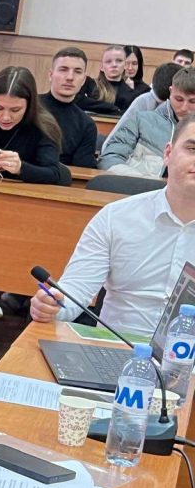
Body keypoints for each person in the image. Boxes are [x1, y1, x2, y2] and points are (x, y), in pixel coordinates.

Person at [31, 114, 195, 337]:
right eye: (192, 148)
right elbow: (75, 290)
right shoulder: (115, 217)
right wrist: (52, 306)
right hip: (116, 348)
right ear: (168, 153)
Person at [0, 66, 69, 323]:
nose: (5, 116)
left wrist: (21, 168)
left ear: (29, 107)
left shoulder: (43, 126)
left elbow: (57, 174)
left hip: (27, 213)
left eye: (15, 110)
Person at [100, 67, 195, 177]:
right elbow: (110, 158)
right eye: (179, 99)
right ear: (170, 91)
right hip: (137, 185)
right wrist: (144, 182)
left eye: (193, 101)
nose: (184, 108)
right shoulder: (140, 120)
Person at [40, 47, 98, 168]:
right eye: (63, 70)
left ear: (83, 80)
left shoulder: (86, 124)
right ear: (51, 75)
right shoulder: (28, 107)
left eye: (77, 72)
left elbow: (82, 170)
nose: (70, 77)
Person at [76, 45, 141, 115]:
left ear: (125, 65)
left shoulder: (132, 94)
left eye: (119, 61)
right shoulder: (89, 83)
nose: (114, 65)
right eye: (108, 61)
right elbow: (77, 100)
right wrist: (111, 108)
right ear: (101, 67)